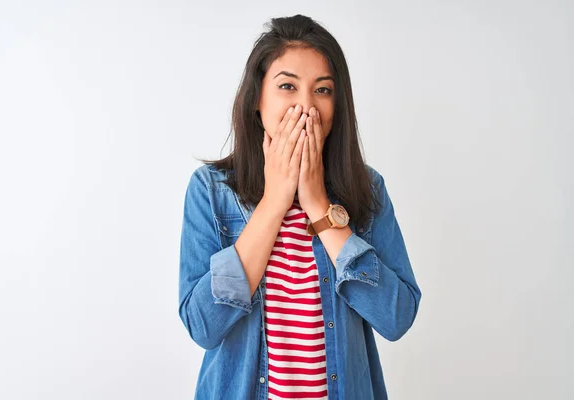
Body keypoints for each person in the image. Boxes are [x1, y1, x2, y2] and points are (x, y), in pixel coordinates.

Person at [178, 14, 422, 400]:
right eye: (287, 86)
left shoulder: (367, 188)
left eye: (322, 90)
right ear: (258, 98)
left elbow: (397, 317)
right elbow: (201, 325)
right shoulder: (211, 191)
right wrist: (275, 201)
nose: (306, 106)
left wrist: (318, 205)